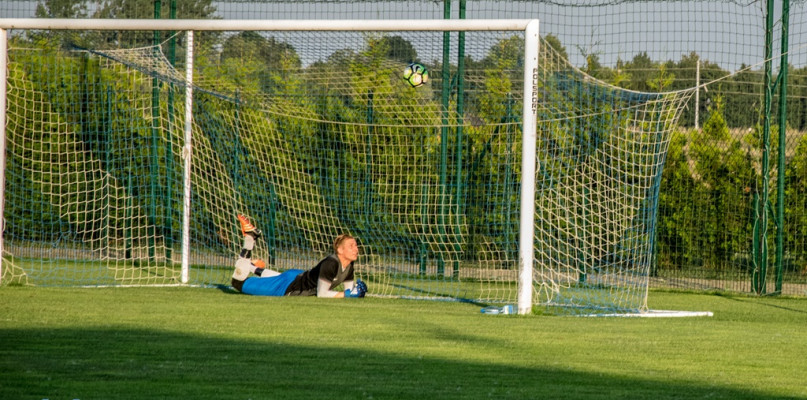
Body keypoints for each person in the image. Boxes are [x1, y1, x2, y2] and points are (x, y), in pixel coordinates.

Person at [231, 214, 367, 298]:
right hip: (288, 287)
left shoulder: (349, 265)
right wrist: (349, 294)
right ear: (340, 250)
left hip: (296, 276)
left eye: (356, 245)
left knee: (277, 278)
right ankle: (250, 237)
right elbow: (322, 294)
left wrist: (356, 293)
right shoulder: (331, 263)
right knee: (237, 283)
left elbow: (349, 291)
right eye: (351, 246)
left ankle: (251, 267)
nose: (356, 249)